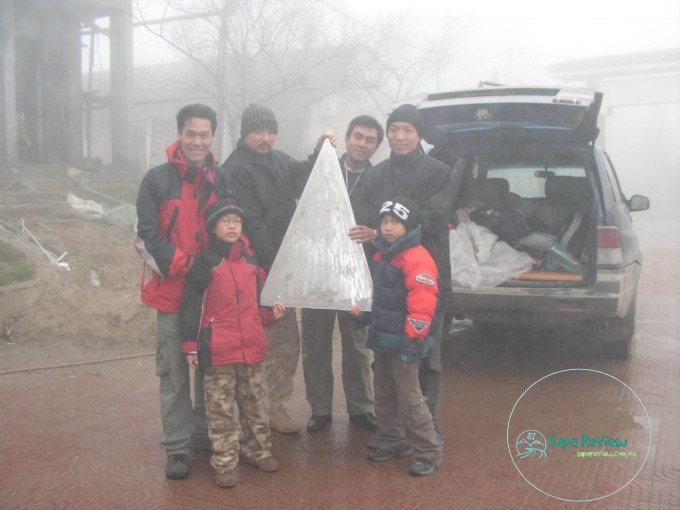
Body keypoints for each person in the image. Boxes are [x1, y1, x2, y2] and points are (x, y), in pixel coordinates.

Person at [220, 103, 335, 434]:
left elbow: (303, 179)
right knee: (260, 342)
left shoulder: (279, 159)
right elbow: (251, 223)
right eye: (259, 131)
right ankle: (254, 409)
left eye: (271, 131)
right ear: (245, 133)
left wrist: (318, 152)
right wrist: (273, 268)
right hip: (254, 270)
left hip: (280, 267)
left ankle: (274, 405)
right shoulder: (236, 170)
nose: (266, 138)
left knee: (284, 343)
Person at [350, 104, 455, 427]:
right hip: (384, 281)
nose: (400, 136)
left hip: (426, 276)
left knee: (425, 353)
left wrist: (383, 231)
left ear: (419, 134)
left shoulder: (440, 173)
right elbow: (363, 217)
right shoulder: (375, 174)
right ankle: (391, 425)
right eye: (394, 129)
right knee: (385, 355)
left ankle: (426, 423)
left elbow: (433, 218)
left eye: (408, 130)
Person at [135, 103, 222, 479]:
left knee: (209, 366)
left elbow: (234, 227)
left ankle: (206, 435)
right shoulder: (156, 180)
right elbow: (146, 236)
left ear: (212, 137)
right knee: (173, 372)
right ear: (180, 134)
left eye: (204, 134)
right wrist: (189, 265)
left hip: (210, 296)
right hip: (171, 293)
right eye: (191, 133)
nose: (197, 141)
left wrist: (213, 266)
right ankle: (177, 447)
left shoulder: (223, 179)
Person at [179, 198, 286, 488]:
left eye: (236, 222)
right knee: (220, 411)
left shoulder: (252, 264)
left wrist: (271, 315)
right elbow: (190, 305)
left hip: (252, 350)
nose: (231, 226)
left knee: (255, 406)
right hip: (218, 352)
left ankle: (258, 451)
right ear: (213, 228)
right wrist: (190, 344)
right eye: (225, 221)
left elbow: (260, 305)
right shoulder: (205, 263)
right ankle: (225, 462)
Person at [301, 115, 383, 433]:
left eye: (370, 140)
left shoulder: (380, 180)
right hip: (318, 271)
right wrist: (317, 149)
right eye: (357, 137)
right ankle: (320, 409)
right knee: (315, 343)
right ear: (346, 138)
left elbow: (390, 222)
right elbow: (301, 188)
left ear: (376, 146)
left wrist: (374, 233)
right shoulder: (323, 169)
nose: (362, 144)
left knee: (358, 345)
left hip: (356, 272)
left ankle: (361, 408)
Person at [350, 197, 443, 476]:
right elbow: (383, 300)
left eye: (396, 222)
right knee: (384, 392)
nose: (388, 228)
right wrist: (366, 316)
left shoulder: (418, 258)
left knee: (410, 397)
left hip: (405, 343)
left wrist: (413, 342)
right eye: (385, 222)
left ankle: (428, 450)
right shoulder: (383, 253)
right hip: (384, 341)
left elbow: (422, 305)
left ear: (410, 225)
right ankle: (392, 439)